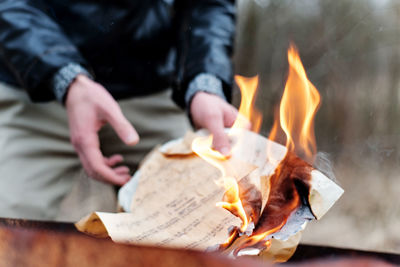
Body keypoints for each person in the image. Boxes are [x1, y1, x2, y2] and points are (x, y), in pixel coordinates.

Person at [0, 0, 238, 221]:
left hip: (151, 88)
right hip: (38, 90)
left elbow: (208, 4)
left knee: (203, 217)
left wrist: (204, 82)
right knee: (10, 223)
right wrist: (66, 78)